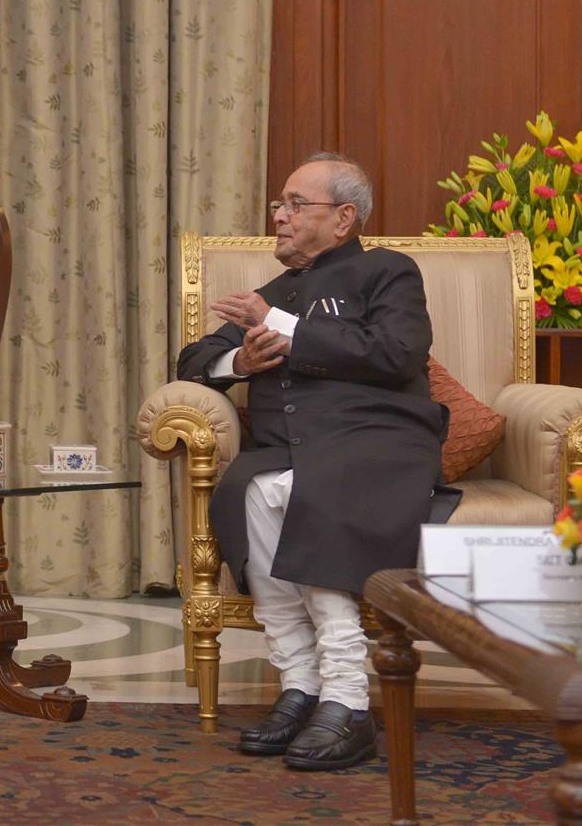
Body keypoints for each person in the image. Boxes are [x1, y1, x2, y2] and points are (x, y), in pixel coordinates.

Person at [176, 153, 454, 770]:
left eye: (295, 204)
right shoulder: (271, 292)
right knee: (250, 491)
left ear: (344, 218)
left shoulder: (388, 271)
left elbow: (397, 354)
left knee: (300, 489)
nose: (278, 215)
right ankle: (301, 686)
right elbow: (193, 359)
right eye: (280, 204)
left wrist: (277, 325)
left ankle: (349, 701)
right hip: (292, 450)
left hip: (378, 442)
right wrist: (240, 364)